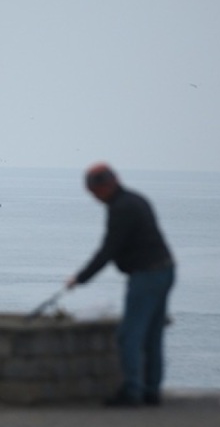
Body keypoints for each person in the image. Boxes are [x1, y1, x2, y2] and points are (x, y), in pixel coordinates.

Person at [66, 163, 175, 407]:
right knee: (153, 336)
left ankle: (132, 392)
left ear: (103, 188)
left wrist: (80, 278)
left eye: (94, 193)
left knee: (129, 335)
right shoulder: (136, 199)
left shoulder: (121, 209)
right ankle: (151, 391)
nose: (95, 199)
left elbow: (108, 250)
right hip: (165, 270)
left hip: (147, 275)